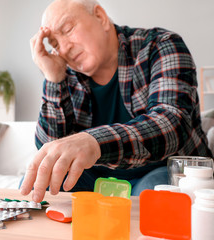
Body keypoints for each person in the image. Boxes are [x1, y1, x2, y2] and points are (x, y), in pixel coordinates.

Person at [20, 0, 213, 203]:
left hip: (164, 169)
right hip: (96, 176)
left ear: (101, 17)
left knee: (155, 197)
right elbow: (50, 150)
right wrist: (54, 79)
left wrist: (93, 142)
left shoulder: (161, 45)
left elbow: (172, 124)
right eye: (56, 44)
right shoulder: (66, 73)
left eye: (67, 30)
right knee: (38, 184)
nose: (64, 49)